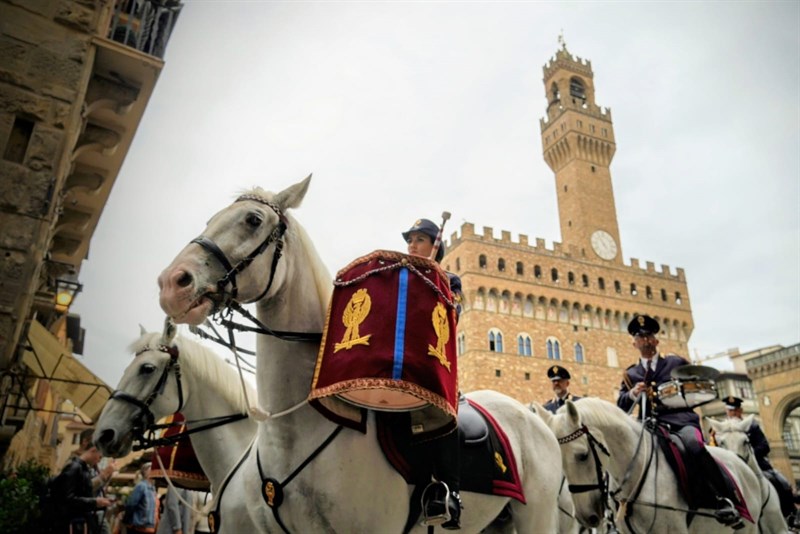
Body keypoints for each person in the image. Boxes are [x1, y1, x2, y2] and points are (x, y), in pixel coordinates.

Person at [617, 314, 744, 529]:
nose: (645, 341)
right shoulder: (631, 373)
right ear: (634, 343)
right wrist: (631, 394)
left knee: (694, 446)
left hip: (681, 420)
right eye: (641, 337)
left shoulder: (676, 363)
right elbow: (620, 404)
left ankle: (722, 499)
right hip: (649, 425)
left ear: (656, 340)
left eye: (649, 336)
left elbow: (696, 387)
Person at [403, 218, 463, 530]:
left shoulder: (449, 279)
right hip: (398, 366)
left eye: (419, 239)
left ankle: (448, 492)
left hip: (433, 365)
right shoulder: (399, 277)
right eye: (409, 239)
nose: (412, 245)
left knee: (440, 414)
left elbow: (453, 315)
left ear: (434, 247)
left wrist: (433, 281)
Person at [724, 396, 797, 521]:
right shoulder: (722, 430)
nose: (733, 413)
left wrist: (748, 455)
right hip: (731, 468)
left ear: (740, 411)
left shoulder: (751, 426)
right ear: (727, 412)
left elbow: (764, 446)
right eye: (730, 411)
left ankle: (791, 514)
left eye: (735, 410)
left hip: (756, 465)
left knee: (781, 482)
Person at [52, 444, 113, 534]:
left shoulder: (82, 469)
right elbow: (66, 499)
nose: (98, 461)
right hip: (72, 522)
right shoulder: (74, 468)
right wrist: (95, 502)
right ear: (93, 450)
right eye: (100, 457)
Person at [125, 463, 158, 533]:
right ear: (146, 472)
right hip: (139, 527)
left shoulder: (153, 488)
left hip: (149, 528)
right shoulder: (141, 486)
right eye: (152, 469)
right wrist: (128, 520)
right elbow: (131, 504)